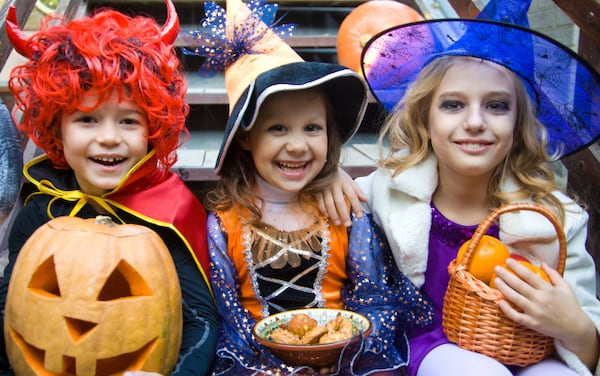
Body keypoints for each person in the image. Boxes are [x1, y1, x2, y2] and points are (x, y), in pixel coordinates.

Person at [319, 0, 600, 375]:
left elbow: (588, 349)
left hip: (529, 353)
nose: (474, 122)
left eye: (497, 106)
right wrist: (326, 175)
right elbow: (331, 196)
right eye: (453, 105)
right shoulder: (384, 194)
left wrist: (575, 327)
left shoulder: (556, 218)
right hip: (428, 350)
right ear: (425, 119)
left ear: (519, 124)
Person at [183, 0, 434, 374]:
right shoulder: (223, 224)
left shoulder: (345, 210)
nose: (298, 145)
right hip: (257, 366)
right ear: (246, 139)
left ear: (330, 136)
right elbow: (230, 316)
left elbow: (373, 297)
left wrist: (349, 351)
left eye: (312, 128)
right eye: (278, 128)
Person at [0, 1, 218, 375]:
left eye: (128, 121)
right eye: (87, 119)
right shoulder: (41, 210)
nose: (108, 138)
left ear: (152, 130)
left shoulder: (171, 213)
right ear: (57, 127)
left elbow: (201, 320)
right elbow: (11, 306)